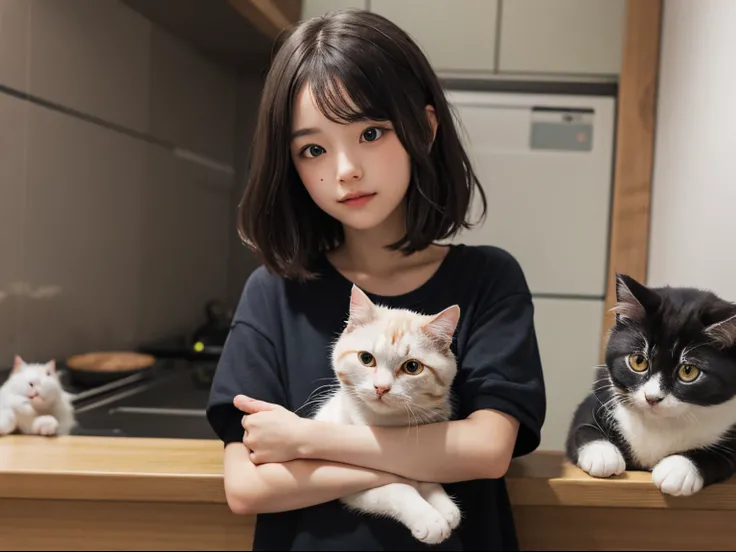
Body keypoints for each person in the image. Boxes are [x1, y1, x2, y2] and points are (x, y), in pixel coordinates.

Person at [206, 8, 546, 551]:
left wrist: (308, 441)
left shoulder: (487, 277)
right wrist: (419, 459)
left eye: (370, 132)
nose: (345, 170)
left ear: (425, 129)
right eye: (312, 148)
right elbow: (248, 487)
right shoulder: (272, 293)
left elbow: (486, 450)